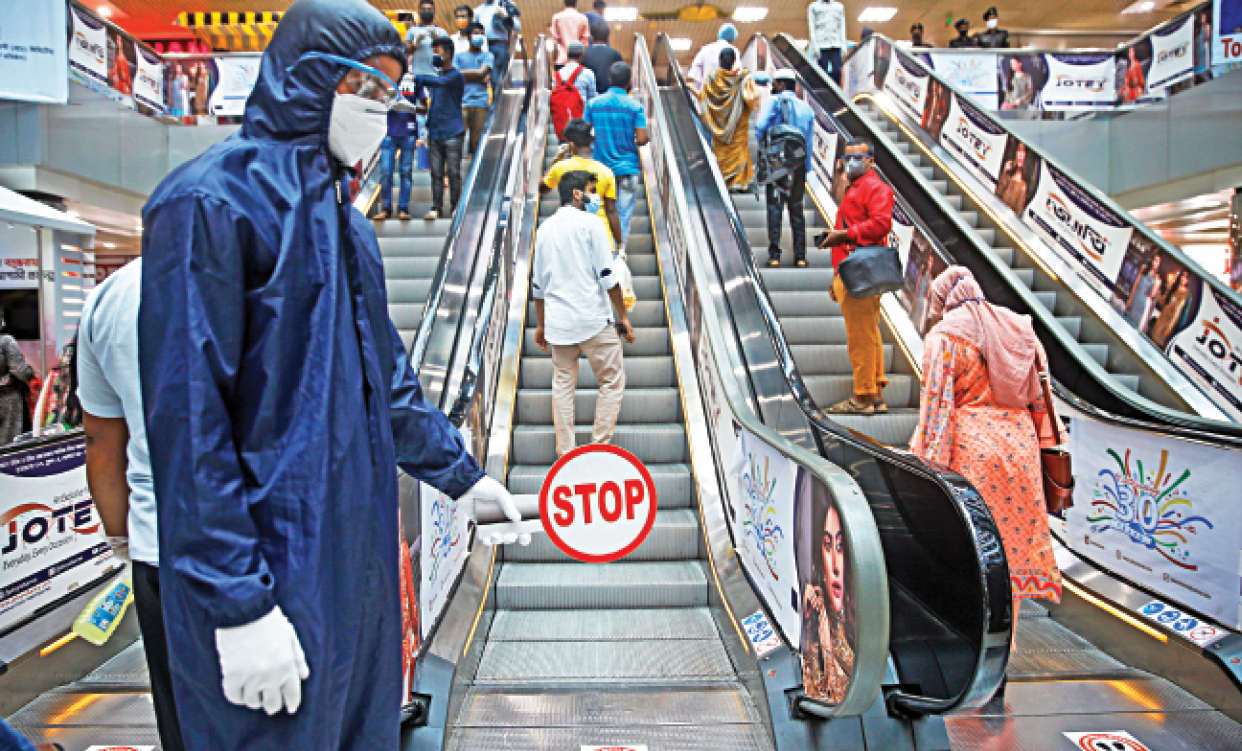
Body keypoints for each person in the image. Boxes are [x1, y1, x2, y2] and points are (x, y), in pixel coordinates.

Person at [136, 2, 523, 748]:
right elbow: (189, 422)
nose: (380, 110)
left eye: (390, 93)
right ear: (309, 80)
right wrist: (237, 604)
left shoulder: (349, 228)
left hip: (356, 570)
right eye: (365, 89)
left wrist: (465, 478)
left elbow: (390, 386)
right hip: (266, 572)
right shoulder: (208, 204)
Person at [910, 266, 1063, 646]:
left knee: (970, 547)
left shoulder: (945, 337)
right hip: (1021, 453)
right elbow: (1041, 399)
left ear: (943, 301)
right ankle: (1006, 640)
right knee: (1011, 547)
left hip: (972, 454)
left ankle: (970, 642)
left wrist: (928, 468)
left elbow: (937, 410)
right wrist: (1047, 447)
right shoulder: (1020, 330)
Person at [76, 259, 186, 751]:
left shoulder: (112, 295)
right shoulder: (278, 268)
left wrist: (124, 538)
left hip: (159, 546)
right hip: (280, 547)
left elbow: (102, 439)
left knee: (183, 714)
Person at [532, 170, 635, 458]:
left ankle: (566, 453)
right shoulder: (592, 224)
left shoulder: (544, 230)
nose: (595, 198)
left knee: (563, 386)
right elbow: (607, 276)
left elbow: (538, 285)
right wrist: (623, 316)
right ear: (576, 193)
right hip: (593, 319)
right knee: (611, 380)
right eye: (591, 191)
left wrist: (541, 325)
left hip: (559, 324)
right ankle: (599, 448)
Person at [818, 138, 894, 414]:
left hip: (861, 272)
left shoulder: (875, 188)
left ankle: (862, 397)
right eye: (847, 157)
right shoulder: (856, 188)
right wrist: (837, 275)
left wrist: (845, 235)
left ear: (870, 161)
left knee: (860, 337)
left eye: (857, 158)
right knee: (869, 332)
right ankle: (875, 393)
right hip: (853, 271)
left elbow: (882, 224)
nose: (851, 162)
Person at [584, 62, 648, 252]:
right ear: (629, 81)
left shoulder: (593, 104)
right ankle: (619, 251)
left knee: (598, 210)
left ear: (610, 79)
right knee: (622, 214)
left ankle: (598, 250)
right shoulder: (635, 106)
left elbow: (584, 132)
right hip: (628, 168)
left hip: (600, 169)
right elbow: (642, 138)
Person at [755, 70, 814, 267]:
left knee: (775, 206)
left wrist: (764, 147)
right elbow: (809, 141)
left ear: (781, 84)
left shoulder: (773, 102)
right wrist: (806, 167)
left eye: (775, 83)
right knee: (796, 208)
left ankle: (774, 256)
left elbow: (760, 126)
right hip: (798, 163)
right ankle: (800, 256)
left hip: (777, 162)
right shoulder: (806, 108)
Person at [800, 496, 854, 704]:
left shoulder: (862, 622)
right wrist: (810, 624)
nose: (835, 566)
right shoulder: (818, 615)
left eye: (840, 547)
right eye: (827, 545)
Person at [542, 119, 623, 246]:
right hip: (602, 238)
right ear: (591, 141)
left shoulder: (560, 167)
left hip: (571, 238)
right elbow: (611, 210)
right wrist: (620, 244)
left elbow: (543, 189)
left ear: (571, 144)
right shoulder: (606, 171)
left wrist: (557, 159)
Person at [418, 37, 467, 220]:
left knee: (454, 172)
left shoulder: (455, 76)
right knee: (436, 173)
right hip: (435, 132)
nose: (435, 55)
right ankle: (436, 207)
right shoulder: (437, 77)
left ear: (448, 53)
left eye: (437, 51)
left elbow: (441, 83)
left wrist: (416, 77)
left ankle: (456, 208)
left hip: (453, 131)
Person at [699, 47, 761, 191]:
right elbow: (752, 98)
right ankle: (739, 182)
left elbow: (704, 99)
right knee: (738, 150)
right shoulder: (743, 78)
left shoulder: (711, 79)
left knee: (722, 153)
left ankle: (724, 180)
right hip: (738, 124)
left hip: (718, 123)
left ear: (719, 60)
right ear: (734, 61)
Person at [373, 80, 419, 220]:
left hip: (408, 131)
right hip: (388, 131)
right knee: (385, 172)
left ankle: (403, 208)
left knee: (406, 172)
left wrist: (409, 107)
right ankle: (386, 208)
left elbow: (424, 107)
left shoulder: (414, 79)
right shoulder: (385, 78)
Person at [455, 23, 494, 156]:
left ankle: (474, 167)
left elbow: (481, 73)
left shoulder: (488, 56)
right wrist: (478, 75)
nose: (479, 36)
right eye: (476, 33)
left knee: (477, 143)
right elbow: (455, 75)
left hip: (481, 103)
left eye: (482, 34)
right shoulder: (459, 56)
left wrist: (463, 74)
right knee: (456, 141)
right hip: (462, 102)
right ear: (468, 36)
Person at [0, 312, 34, 444]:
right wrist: (31, 374)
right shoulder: (6, 341)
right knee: (9, 443)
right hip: (8, 399)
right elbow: (20, 370)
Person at [474, 0, 521, 91]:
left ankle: (497, 99)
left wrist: (506, 16)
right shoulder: (478, 10)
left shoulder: (504, 4)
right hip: (483, 46)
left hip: (500, 45)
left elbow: (517, 26)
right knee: (484, 77)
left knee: (497, 79)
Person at [687, 23, 740, 92]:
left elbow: (692, 76)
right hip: (726, 94)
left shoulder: (705, 49)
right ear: (733, 38)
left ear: (720, 34)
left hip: (706, 94)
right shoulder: (734, 51)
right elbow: (737, 74)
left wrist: (698, 94)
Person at [807, 0, 847, 85]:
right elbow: (812, 28)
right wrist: (814, 47)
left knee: (837, 71)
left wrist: (843, 45)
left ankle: (836, 90)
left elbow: (842, 27)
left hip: (836, 44)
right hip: (821, 45)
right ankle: (824, 91)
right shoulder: (813, 7)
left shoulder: (839, 7)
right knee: (822, 74)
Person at [406, 0, 448, 78]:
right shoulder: (412, 31)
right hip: (417, 75)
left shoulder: (442, 32)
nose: (426, 11)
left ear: (434, 11)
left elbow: (446, 54)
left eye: (429, 9)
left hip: (436, 75)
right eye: (424, 9)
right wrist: (415, 43)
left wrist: (437, 41)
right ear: (419, 11)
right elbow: (406, 53)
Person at [1150, 271, 1190, 347]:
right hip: (1161, 319)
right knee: (1152, 340)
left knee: (1158, 343)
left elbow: (1177, 312)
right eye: (1182, 276)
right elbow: (1163, 301)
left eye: (1185, 277)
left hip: (1168, 323)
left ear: (1187, 280)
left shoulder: (1184, 294)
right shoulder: (1174, 287)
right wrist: (1159, 293)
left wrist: (1169, 327)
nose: (1182, 278)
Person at [583, 19, 623, 92]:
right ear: (608, 38)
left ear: (591, 37)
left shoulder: (583, 54)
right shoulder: (616, 54)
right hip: (610, 95)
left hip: (588, 94)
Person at [1125, 256, 1162, 331]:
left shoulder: (1157, 279)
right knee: (1125, 320)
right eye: (1154, 260)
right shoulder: (1144, 268)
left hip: (1143, 303)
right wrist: (1130, 299)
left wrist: (1156, 283)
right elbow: (1136, 284)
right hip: (1136, 297)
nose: (1154, 262)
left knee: (1135, 327)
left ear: (1159, 264)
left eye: (1157, 261)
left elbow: (1151, 295)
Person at [550, 0, 591, 67]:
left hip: (561, 60)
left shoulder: (557, 17)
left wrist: (554, 60)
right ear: (576, 3)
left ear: (564, 2)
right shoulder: (583, 18)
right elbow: (585, 43)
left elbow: (555, 42)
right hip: (577, 60)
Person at [996, 142, 1031, 214]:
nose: (1020, 154)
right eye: (1019, 150)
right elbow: (997, 193)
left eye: (1023, 151)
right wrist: (1004, 173)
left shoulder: (1023, 185)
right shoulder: (1008, 172)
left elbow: (1018, 211)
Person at [561, 41, 598, 105]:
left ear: (567, 55)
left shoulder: (558, 74)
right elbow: (591, 100)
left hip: (562, 111)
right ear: (582, 56)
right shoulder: (588, 74)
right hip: (582, 111)